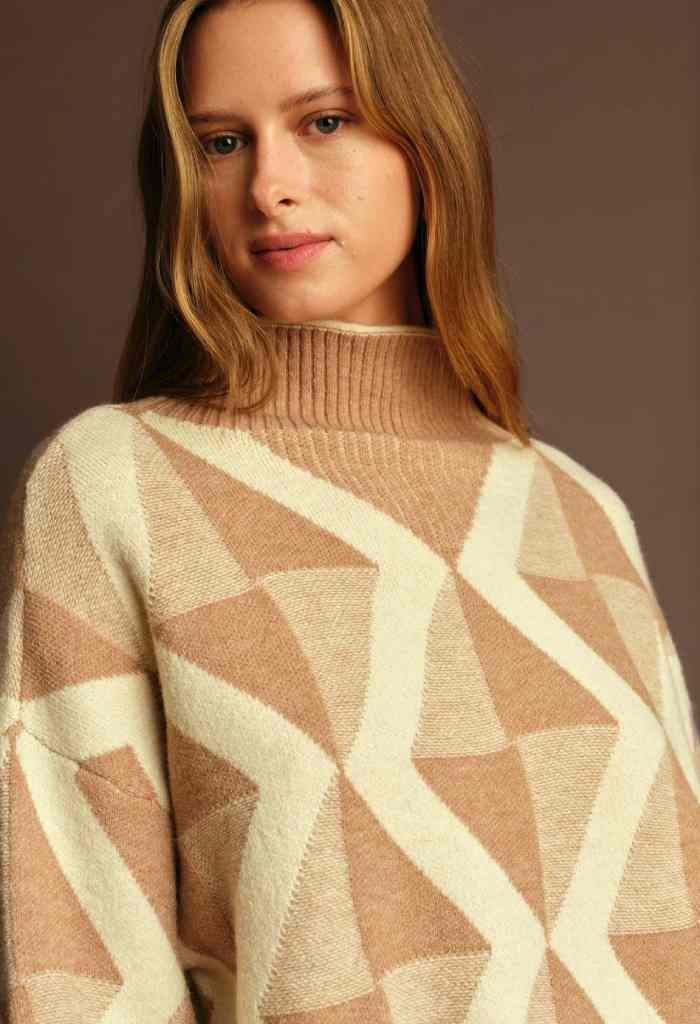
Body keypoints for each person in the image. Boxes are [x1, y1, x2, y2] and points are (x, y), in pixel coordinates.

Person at [1, 0, 697, 1020]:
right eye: (221, 142)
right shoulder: (119, 484)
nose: (269, 186)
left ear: (426, 142)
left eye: (324, 120)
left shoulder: (579, 510)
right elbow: (83, 977)